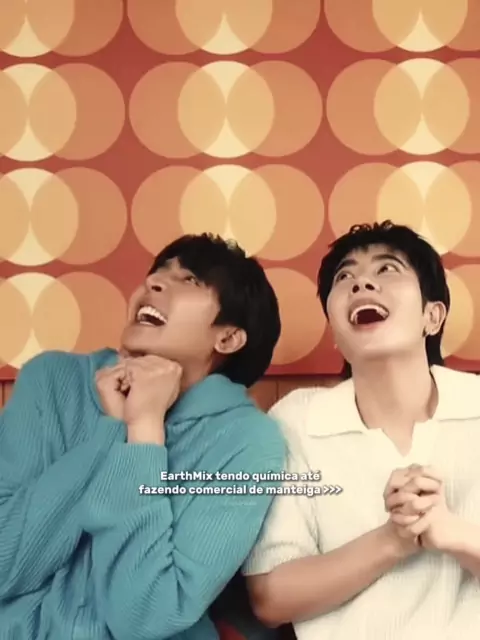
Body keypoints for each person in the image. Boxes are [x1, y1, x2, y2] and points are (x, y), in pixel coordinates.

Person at [0, 233, 286, 640]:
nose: (153, 283)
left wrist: (144, 431)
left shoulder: (246, 441)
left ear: (227, 338)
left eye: (189, 280)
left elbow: (145, 615)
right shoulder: (52, 380)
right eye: (158, 273)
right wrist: (111, 431)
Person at [243, 221, 480, 639]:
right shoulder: (297, 420)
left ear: (432, 315)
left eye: (387, 269)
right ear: (336, 332)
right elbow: (271, 598)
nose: (361, 283)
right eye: (345, 277)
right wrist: (393, 539)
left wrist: (455, 534)